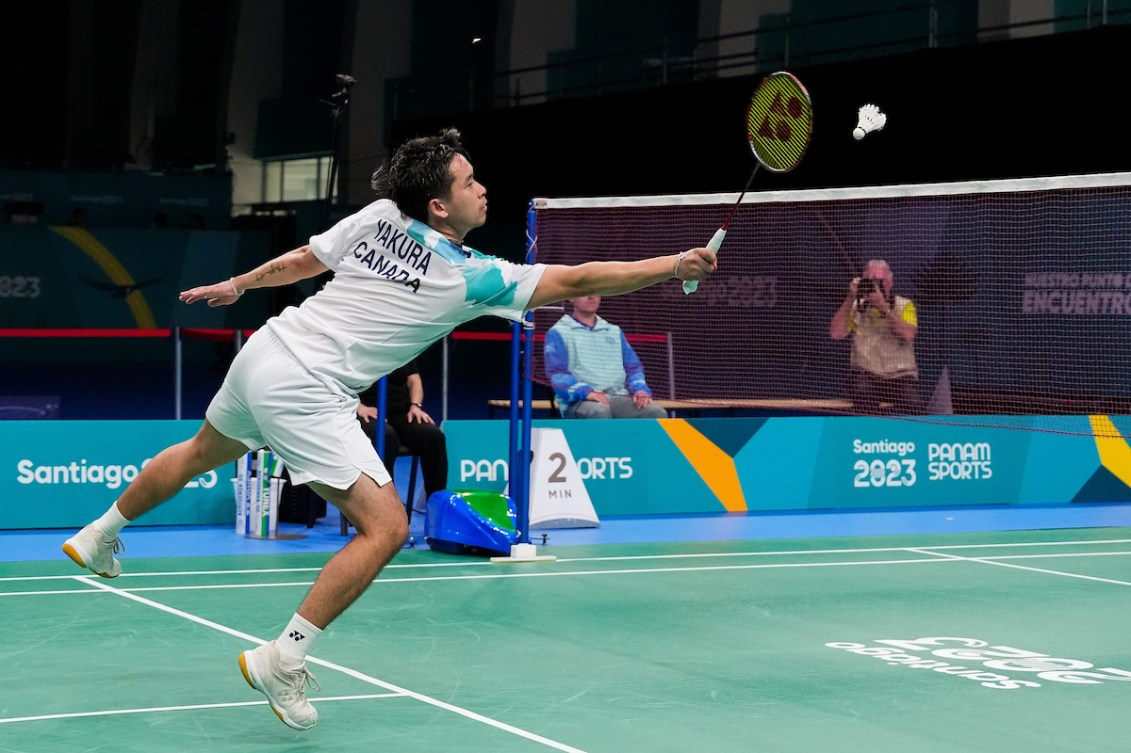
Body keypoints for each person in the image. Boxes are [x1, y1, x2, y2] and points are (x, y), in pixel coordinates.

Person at [60, 127, 716, 731]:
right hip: (310, 388)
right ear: (436, 204)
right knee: (389, 526)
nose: (482, 187)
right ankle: (281, 659)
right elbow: (576, 279)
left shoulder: (378, 219)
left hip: (266, 350)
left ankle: (99, 533)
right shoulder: (475, 276)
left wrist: (239, 284)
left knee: (202, 450)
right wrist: (671, 265)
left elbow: (302, 261)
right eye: (467, 181)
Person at [543, 295, 667, 418]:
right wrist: (587, 393)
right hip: (579, 401)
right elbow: (557, 374)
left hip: (617, 397)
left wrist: (640, 389)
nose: (591, 297)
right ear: (571, 298)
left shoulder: (614, 331)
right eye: (585, 292)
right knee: (600, 411)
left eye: (596, 292)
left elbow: (633, 368)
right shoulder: (558, 332)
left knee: (655, 412)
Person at [828, 258, 923, 415]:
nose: (876, 286)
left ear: (890, 283)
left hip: (899, 376)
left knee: (915, 405)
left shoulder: (905, 305)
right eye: (871, 281)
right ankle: (868, 437)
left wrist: (883, 307)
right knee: (864, 395)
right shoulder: (855, 306)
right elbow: (836, 334)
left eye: (880, 281)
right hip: (865, 374)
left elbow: (908, 334)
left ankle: (909, 438)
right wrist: (850, 297)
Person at [356, 358, 447, 504]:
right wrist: (359, 407)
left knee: (433, 436)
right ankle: (385, 505)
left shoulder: (399, 346)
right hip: (366, 411)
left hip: (400, 411)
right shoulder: (358, 346)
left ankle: (436, 506)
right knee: (385, 436)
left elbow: (414, 381)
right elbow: (340, 385)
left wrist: (415, 405)